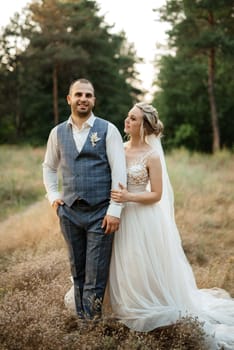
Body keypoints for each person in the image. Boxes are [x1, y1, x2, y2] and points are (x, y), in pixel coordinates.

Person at [108, 102, 234, 349]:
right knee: (121, 263)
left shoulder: (151, 155)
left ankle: (145, 309)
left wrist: (129, 197)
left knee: (140, 263)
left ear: (144, 126)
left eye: (133, 119)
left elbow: (156, 194)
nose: (127, 121)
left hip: (142, 217)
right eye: (128, 116)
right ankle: (122, 306)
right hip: (119, 215)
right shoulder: (119, 148)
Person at [42, 78, 126, 320]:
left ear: (94, 100)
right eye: (78, 94)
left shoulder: (108, 129)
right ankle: (83, 322)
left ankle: (91, 325)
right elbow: (48, 167)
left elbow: (119, 172)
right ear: (69, 99)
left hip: (101, 213)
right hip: (69, 212)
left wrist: (115, 210)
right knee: (76, 270)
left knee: (96, 273)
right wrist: (54, 196)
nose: (83, 99)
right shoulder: (57, 133)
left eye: (88, 95)